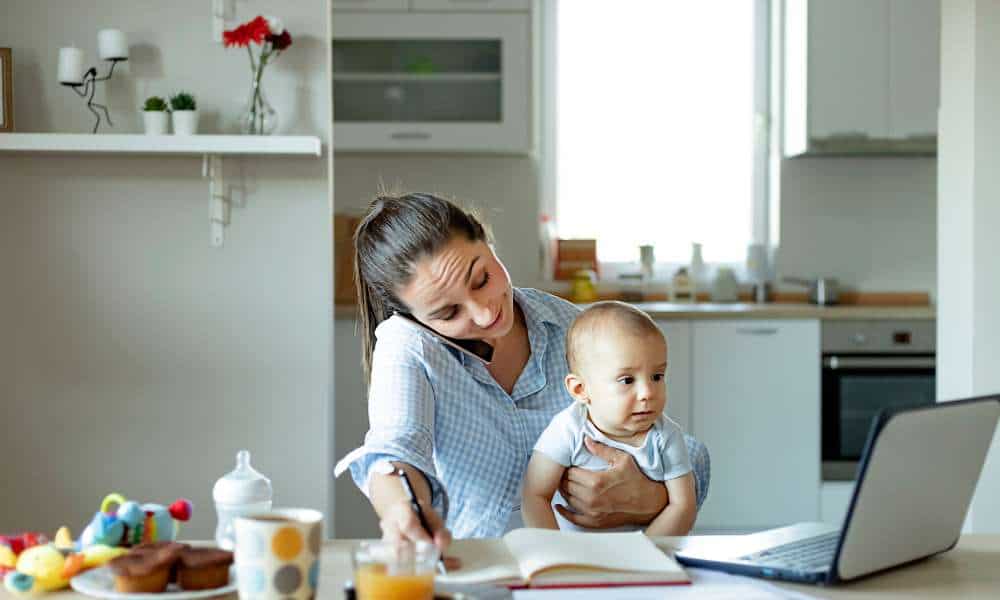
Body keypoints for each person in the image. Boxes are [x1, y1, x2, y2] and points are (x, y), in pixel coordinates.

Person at [333, 192, 708, 556]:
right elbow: (395, 447)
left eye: (481, 279)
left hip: (595, 571)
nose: (483, 314)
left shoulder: (573, 329)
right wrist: (402, 509)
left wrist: (652, 498)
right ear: (414, 317)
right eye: (448, 314)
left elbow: (683, 451)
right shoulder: (409, 345)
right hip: (481, 573)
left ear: (486, 238)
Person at [521, 301, 697, 535]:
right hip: (577, 559)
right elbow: (534, 495)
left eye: (657, 376)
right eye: (627, 380)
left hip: (640, 557)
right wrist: (555, 552)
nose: (647, 393)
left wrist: (647, 555)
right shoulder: (569, 428)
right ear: (580, 390)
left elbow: (683, 506)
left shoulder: (665, 436)